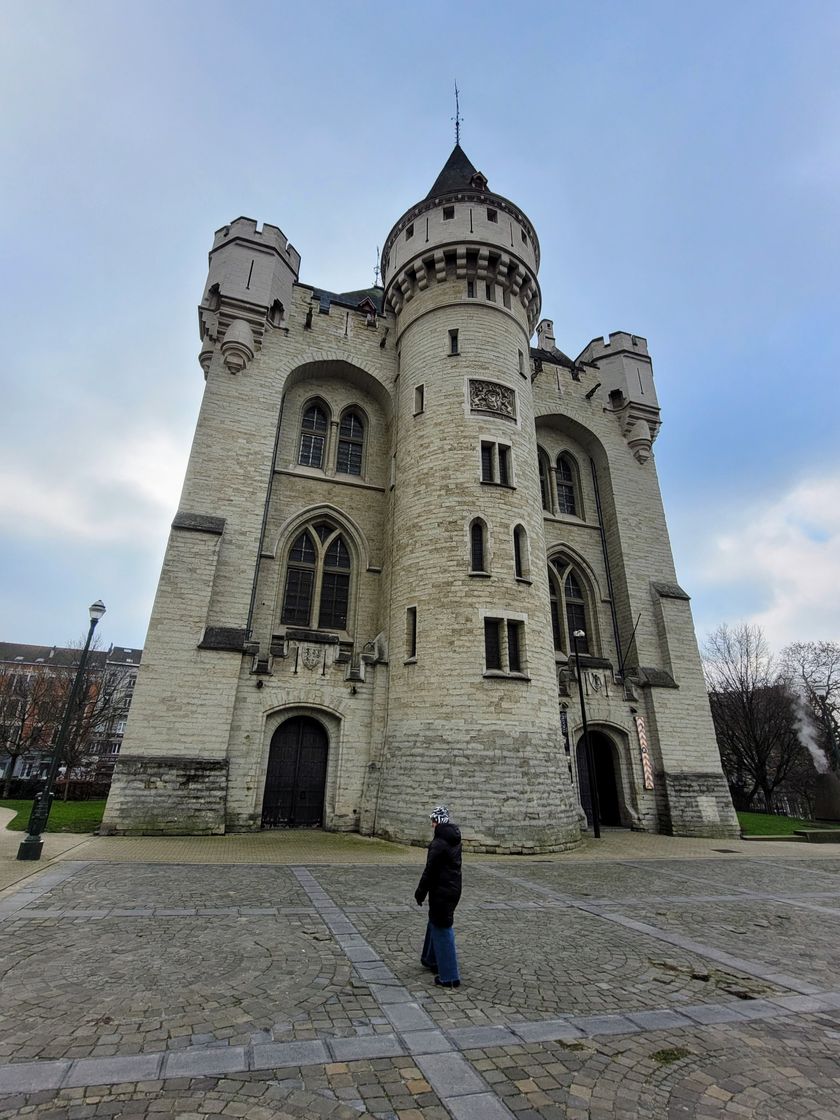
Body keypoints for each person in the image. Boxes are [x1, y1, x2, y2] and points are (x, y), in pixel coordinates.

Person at [414, 805, 462, 988]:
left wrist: (420, 892)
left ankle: (449, 976)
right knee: (435, 921)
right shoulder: (454, 839)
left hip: (442, 891)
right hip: (453, 889)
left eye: (433, 821)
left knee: (442, 928)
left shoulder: (438, 844)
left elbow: (430, 872)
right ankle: (430, 958)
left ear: (437, 822)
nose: (432, 824)